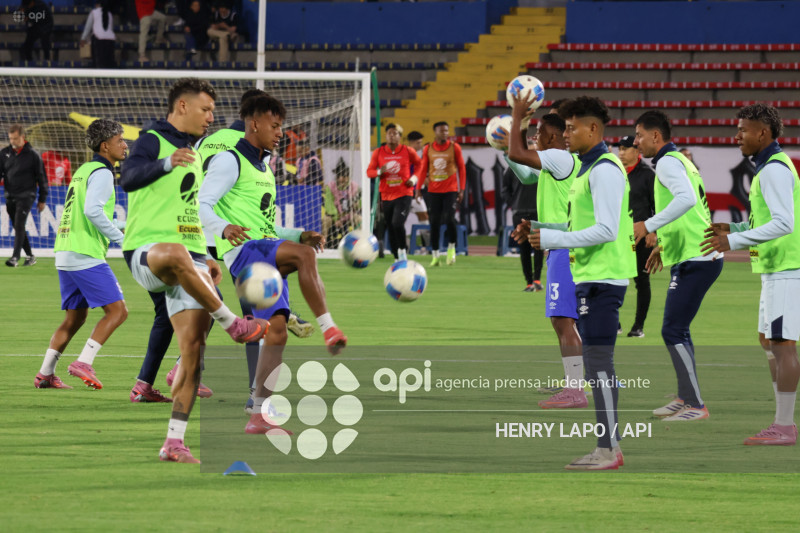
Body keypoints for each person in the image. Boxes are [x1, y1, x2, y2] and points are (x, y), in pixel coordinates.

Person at [121, 77, 270, 463]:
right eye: (205, 110)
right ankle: (233, 323)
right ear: (182, 107)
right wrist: (167, 162)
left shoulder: (197, 151)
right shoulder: (154, 138)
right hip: (148, 253)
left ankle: (174, 442)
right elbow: (129, 179)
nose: (211, 118)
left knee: (193, 351)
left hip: (189, 259)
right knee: (172, 252)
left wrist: (205, 257)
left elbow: (189, 209)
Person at [199, 93, 348, 434]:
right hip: (246, 253)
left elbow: (265, 225)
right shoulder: (228, 160)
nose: (281, 133)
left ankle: (259, 415)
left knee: (276, 334)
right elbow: (201, 205)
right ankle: (329, 328)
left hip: (261, 248)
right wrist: (223, 228)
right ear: (254, 124)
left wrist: (298, 234)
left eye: (282, 126)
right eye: (275, 126)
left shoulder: (265, 167)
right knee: (304, 258)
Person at [528, 96, 636, 470]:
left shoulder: (605, 169)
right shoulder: (588, 169)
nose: (567, 134)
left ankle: (609, 450)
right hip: (592, 274)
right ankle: (607, 447)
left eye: (572, 128)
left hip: (605, 277)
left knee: (600, 365)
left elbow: (606, 229)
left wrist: (554, 239)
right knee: (596, 364)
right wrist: (550, 232)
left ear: (593, 129)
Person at [701, 103, 799, 445]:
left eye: (743, 129)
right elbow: (768, 221)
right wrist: (736, 226)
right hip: (775, 268)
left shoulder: (773, 169)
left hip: (787, 269)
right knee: (769, 341)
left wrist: (733, 240)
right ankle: (781, 421)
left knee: (783, 344)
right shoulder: (769, 168)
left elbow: (785, 223)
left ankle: (784, 426)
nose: (737, 135)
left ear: (763, 132)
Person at [633, 110, 722, 422]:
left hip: (698, 256)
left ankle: (695, 405)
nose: (635, 141)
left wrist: (648, 225)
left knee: (672, 328)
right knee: (678, 328)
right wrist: (663, 244)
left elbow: (684, 199)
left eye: (639, 135)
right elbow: (694, 208)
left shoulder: (669, 162)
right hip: (694, 253)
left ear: (656, 136)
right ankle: (686, 397)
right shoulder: (679, 160)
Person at [34, 119, 129, 390]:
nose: (125, 144)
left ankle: (45, 374)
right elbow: (92, 211)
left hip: (66, 250)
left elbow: (86, 213)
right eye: (119, 140)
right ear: (105, 146)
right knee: (118, 312)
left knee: (75, 317)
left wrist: (125, 227)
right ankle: (84, 361)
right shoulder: (102, 172)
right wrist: (120, 239)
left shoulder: (84, 169)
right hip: (84, 253)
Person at [505, 106, 585, 410]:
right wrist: (535, 227)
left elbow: (518, 155)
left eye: (538, 133)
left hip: (563, 249)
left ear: (551, 135)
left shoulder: (560, 157)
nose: (534, 138)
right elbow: (524, 173)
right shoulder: (561, 161)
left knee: (562, 319)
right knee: (567, 320)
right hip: (561, 243)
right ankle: (575, 381)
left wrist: (517, 121)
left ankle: (575, 389)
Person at [615, 135, 655, 338]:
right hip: (617, 236)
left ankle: (638, 326)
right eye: (620, 149)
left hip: (641, 236)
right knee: (612, 277)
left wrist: (654, 231)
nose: (621, 153)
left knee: (641, 280)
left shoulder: (648, 175)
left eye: (625, 149)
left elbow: (657, 205)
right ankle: (615, 322)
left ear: (637, 151)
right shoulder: (614, 172)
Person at [366, 123, 421, 261]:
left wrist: (414, 179)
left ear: (400, 137)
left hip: (404, 194)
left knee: (397, 223)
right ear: (386, 135)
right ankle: (397, 256)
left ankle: (403, 250)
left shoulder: (408, 151)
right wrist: (379, 171)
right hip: (386, 195)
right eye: (389, 133)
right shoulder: (378, 152)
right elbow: (369, 172)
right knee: (390, 226)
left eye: (395, 133)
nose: (391, 135)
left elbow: (420, 165)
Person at [416, 121, 466, 266]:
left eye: (446, 131)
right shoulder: (428, 149)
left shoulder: (454, 147)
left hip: (450, 190)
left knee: (450, 218)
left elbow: (462, 169)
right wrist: (418, 189)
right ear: (435, 132)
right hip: (433, 191)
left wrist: (461, 189)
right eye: (441, 131)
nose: (445, 133)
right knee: (434, 222)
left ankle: (451, 248)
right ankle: (436, 255)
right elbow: (423, 169)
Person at [1, 124, 47, 267]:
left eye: (15, 138)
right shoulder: (4, 153)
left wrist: (42, 199)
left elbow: (42, 177)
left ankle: (15, 257)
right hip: (10, 195)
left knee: (20, 223)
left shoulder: (33, 155)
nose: (12, 141)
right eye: (10, 139)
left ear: (23, 137)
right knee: (17, 226)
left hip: (27, 195)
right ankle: (30, 256)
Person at [501, 166, 543, 292]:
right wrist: (513, 204)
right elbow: (504, 190)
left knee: (538, 245)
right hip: (519, 212)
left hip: (537, 211)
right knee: (523, 248)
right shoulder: (513, 167)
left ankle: (537, 280)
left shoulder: (540, 165)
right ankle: (529, 282)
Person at [323, 157, 361, 242]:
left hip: (350, 215)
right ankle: (324, 243)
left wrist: (357, 205)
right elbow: (329, 204)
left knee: (359, 219)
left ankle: (360, 242)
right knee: (325, 220)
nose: (342, 179)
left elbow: (360, 203)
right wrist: (336, 219)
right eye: (340, 176)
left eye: (345, 176)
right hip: (334, 216)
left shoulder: (354, 187)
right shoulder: (330, 186)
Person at [80, 1, 116, 69]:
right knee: (109, 65)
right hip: (110, 41)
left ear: (97, 5)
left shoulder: (94, 12)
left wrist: (83, 38)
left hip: (99, 41)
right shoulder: (110, 14)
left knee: (99, 65)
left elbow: (88, 27)